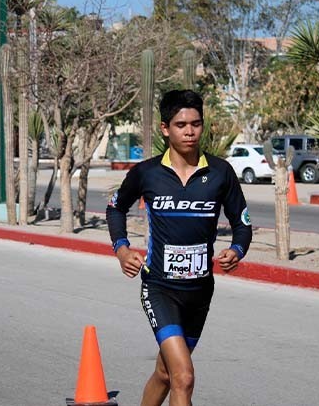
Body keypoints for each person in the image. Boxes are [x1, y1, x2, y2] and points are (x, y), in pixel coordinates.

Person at [106, 89, 252, 406]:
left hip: (200, 292)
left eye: (196, 124)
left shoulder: (220, 172)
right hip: (160, 288)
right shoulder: (147, 173)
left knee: (165, 372)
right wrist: (121, 249)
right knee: (183, 377)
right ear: (165, 128)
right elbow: (116, 208)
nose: (189, 131)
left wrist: (236, 251)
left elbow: (242, 224)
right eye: (181, 124)